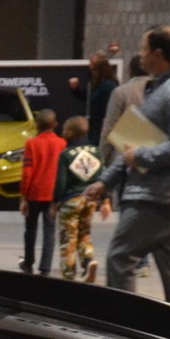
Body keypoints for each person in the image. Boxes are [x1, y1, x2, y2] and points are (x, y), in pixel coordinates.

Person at [81, 24, 170, 309]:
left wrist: (143, 157)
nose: (140, 54)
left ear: (159, 54)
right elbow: (131, 144)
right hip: (164, 195)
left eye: (144, 48)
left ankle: (126, 327)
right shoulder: (160, 88)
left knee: (120, 258)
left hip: (156, 195)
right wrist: (106, 182)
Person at [53, 116, 105, 282]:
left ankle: (68, 276)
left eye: (64, 130)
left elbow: (61, 182)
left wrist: (55, 202)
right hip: (90, 200)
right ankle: (89, 261)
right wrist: (105, 200)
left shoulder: (66, 154)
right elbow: (103, 176)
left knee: (68, 238)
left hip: (71, 200)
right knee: (85, 234)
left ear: (70, 132)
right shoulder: (96, 151)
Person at [17, 108, 65, 275]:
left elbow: (27, 171)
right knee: (50, 230)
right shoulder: (62, 144)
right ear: (56, 124)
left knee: (30, 229)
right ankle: (45, 267)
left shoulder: (32, 143)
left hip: (34, 193)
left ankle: (28, 263)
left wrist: (23, 197)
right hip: (52, 193)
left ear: (37, 125)